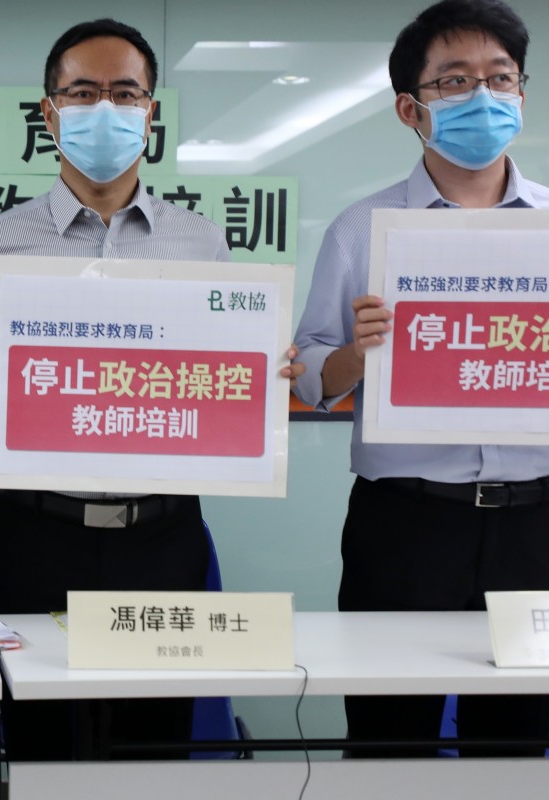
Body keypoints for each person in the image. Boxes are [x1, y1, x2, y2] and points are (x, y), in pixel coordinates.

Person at [0, 18, 301, 761]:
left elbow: (218, 377)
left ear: (150, 111)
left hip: (163, 535)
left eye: (124, 93)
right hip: (36, 530)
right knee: (43, 738)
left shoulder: (200, 241)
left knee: (154, 742)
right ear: (49, 112)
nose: (104, 109)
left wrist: (263, 383)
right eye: (82, 92)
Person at [293, 0, 549, 758]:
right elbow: (309, 374)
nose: (483, 97)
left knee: (518, 739)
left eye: (499, 79)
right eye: (455, 81)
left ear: (522, 93)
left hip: (535, 525)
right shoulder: (363, 227)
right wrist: (356, 354)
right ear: (411, 108)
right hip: (405, 525)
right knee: (387, 736)